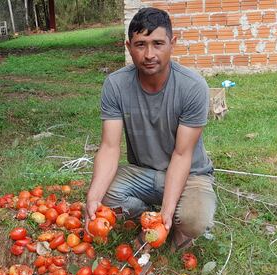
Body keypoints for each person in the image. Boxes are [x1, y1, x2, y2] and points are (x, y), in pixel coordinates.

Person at [84, 7, 216, 250]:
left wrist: (167, 212)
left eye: (158, 43)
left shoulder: (192, 87)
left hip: (190, 174)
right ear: (128, 47)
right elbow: (110, 147)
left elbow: (181, 154)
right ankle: (147, 216)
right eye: (140, 44)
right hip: (143, 174)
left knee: (195, 218)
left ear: (172, 43)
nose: (149, 54)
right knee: (102, 195)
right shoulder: (116, 85)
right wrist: (92, 198)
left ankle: (175, 226)